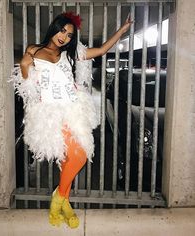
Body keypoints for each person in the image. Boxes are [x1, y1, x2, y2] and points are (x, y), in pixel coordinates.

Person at [11, 11, 132, 229]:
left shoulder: (71, 53)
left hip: (71, 110)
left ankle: (59, 198)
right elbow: (27, 87)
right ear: (54, 28)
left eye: (69, 35)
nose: (64, 37)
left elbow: (103, 49)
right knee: (71, 157)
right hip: (48, 113)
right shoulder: (33, 50)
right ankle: (64, 203)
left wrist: (122, 31)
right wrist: (24, 65)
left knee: (79, 155)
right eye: (62, 31)